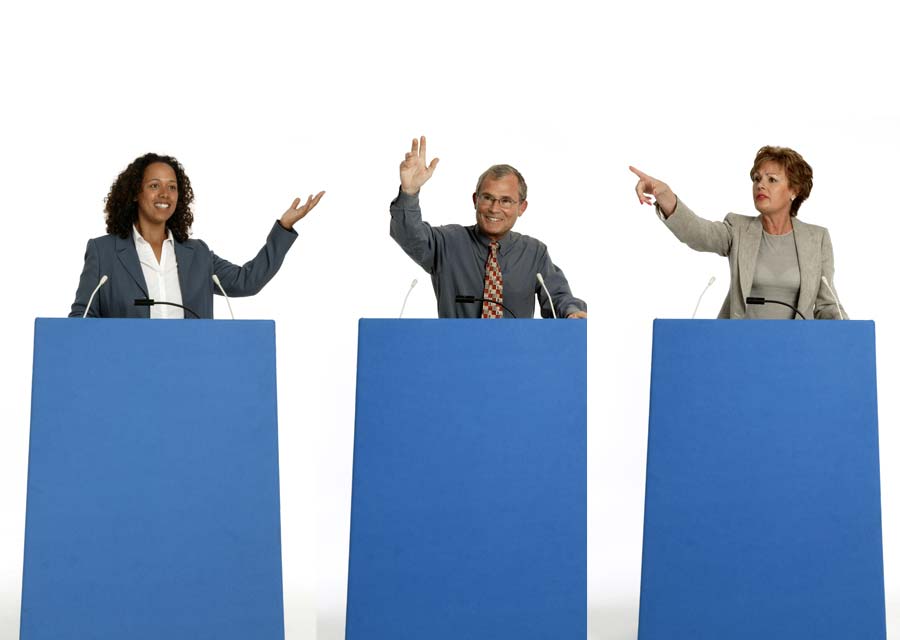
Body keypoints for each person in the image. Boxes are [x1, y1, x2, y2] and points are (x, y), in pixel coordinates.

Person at [69, 153, 324, 318]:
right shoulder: (103, 253)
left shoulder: (197, 254)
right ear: (136, 192)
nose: (164, 194)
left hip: (191, 376)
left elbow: (248, 281)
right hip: (126, 377)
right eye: (154, 186)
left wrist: (284, 227)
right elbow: (81, 320)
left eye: (172, 187)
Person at [630, 146, 846, 319]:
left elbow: (827, 305)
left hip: (797, 352)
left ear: (794, 190)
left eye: (771, 179)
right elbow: (697, 232)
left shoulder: (817, 239)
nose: (760, 185)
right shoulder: (738, 229)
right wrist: (663, 193)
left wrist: (852, 339)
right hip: (739, 348)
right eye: (756, 178)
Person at [389, 136, 587, 319]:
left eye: (506, 201)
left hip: (516, 354)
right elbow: (409, 235)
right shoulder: (447, 243)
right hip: (456, 352)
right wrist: (409, 191)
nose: (494, 208)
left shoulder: (535, 252)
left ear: (522, 208)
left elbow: (558, 298)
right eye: (487, 198)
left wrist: (571, 312)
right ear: (475, 200)